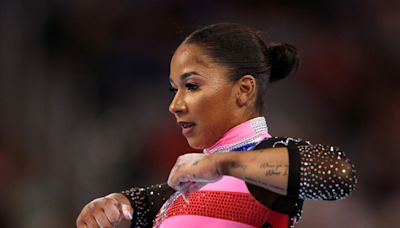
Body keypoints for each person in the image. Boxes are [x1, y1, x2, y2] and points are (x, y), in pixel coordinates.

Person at [76, 23, 356, 228]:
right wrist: (115, 203)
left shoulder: (263, 165)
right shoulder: (182, 189)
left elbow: (338, 175)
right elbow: (143, 200)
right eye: (174, 89)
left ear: (244, 90)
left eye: (192, 86)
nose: (175, 105)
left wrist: (222, 163)